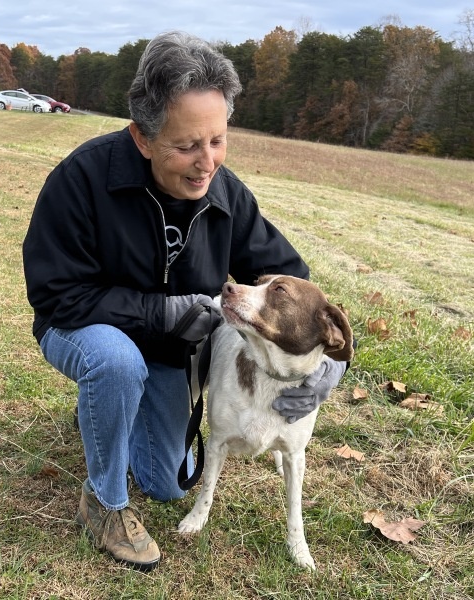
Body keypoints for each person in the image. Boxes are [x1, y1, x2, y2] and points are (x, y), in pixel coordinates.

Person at [22, 31, 347, 571]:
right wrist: (164, 312)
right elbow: (57, 295)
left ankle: (108, 414)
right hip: (81, 329)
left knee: (167, 483)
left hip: (168, 351)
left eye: (217, 140)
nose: (206, 162)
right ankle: (104, 503)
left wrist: (326, 365)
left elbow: (292, 281)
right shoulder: (81, 179)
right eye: (187, 145)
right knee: (116, 363)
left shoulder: (226, 193)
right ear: (142, 137)